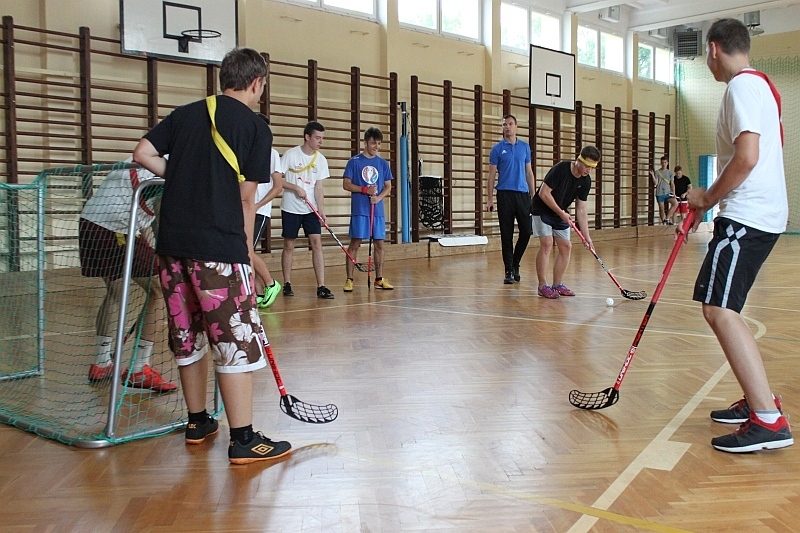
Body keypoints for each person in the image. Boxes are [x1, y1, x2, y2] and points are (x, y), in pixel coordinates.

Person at [133, 47, 291, 464]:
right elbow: (245, 198)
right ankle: (243, 439)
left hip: (172, 247)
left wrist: (183, 175)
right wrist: (245, 254)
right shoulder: (254, 127)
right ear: (256, 83)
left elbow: (142, 153)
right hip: (218, 249)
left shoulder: (186, 113)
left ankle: (198, 422)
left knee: (187, 335)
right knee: (234, 340)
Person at [682, 18, 791, 453]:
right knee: (724, 308)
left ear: (713, 48)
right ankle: (758, 400)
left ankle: (768, 419)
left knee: (719, 309)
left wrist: (707, 198)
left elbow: (746, 158)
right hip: (761, 215)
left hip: (748, 216)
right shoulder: (762, 86)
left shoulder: (742, 87)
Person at [79, 158, 177, 393]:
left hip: (92, 222)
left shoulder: (148, 158)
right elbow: (161, 213)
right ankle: (139, 369)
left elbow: (142, 215)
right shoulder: (170, 166)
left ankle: (101, 362)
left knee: (115, 292)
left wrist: (153, 250)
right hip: (116, 227)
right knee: (157, 290)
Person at [530, 146, 600, 299]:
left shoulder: (586, 181)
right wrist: (561, 213)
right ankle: (542, 286)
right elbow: (543, 193)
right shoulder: (561, 169)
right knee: (547, 243)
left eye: (592, 167)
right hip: (542, 208)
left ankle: (558, 285)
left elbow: (581, 209)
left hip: (560, 213)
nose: (589, 170)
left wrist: (587, 237)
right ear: (579, 160)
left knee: (566, 247)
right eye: (587, 165)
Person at [280, 121, 334, 299]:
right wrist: (295, 187)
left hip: (311, 209)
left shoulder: (321, 160)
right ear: (307, 137)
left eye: (322, 138)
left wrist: (321, 210)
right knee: (289, 245)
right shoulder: (291, 155)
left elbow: (319, 187)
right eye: (318, 138)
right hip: (291, 208)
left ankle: (321, 286)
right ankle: (287, 283)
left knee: (317, 244)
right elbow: (278, 180)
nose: (321, 141)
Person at [342, 127, 394, 292]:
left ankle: (379, 279)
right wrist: (365, 190)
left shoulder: (382, 163)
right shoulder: (354, 162)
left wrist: (378, 198)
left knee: (379, 244)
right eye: (373, 143)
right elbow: (346, 184)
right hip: (360, 210)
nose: (376, 147)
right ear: (365, 143)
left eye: (378, 144)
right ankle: (349, 279)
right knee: (355, 243)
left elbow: (388, 186)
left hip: (377, 211)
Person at [486, 114, 535, 285]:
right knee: (506, 234)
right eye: (504, 124)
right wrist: (489, 199)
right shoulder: (497, 149)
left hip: (522, 195)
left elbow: (529, 172)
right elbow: (491, 175)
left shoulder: (525, 147)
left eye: (510, 124)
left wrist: (533, 196)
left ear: (516, 126)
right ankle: (508, 270)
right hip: (504, 195)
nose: (507, 127)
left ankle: (515, 263)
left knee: (526, 231)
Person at [252, 114, 283, 309]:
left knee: (246, 250)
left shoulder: (271, 154)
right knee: (245, 252)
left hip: (259, 211)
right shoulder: (245, 150)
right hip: (243, 210)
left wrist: (258, 205)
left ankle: (271, 284)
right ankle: (256, 293)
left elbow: (278, 186)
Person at [650, 155, 677, 225]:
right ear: (660, 163)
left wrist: (674, 193)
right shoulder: (657, 172)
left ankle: (667, 218)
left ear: (667, 163)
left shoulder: (670, 173)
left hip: (668, 192)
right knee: (661, 208)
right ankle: (664, 222)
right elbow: (655, 183)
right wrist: (652, 175)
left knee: (675, 203)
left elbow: (672, 184)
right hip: (660, 193)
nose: (663, 164)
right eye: (662, 162)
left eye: (665, 162)